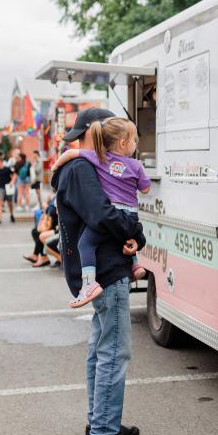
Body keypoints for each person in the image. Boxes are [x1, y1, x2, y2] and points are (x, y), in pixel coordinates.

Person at [51, 107, 146, 435]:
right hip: (106, 270)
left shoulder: (82, 164)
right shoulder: (80, 169)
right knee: (112, 352)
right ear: (97, 131)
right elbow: (104, 214)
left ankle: (101, 420)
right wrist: (137, 232)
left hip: (103, 268)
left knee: (100, 348)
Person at [52, 117, 150, 308]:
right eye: (134, 140)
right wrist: (138, 235)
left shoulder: (97, 160)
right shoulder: (136, 165)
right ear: (123, 142)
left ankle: (88, 283)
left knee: (85, 244)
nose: (136, 144)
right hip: (130, 216)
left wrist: (55, 168)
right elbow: (145, 189)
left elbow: (71, 153)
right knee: (112, 335)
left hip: (108, 267)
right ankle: (135, 264)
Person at [24, 196, 58, 267]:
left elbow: (52, 212)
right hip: (55, 224)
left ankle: (43, 258)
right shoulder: (55, 196)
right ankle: (37, 255)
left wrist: (45, 205)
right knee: (36, 231)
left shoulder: (58, 195)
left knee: (38, 233)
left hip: (57, 227)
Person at [0, 155, 16, 226]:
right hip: (0, 188)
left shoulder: (7, 169)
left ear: (2, 162)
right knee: (0, 203)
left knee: (9, 203)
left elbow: (14, 175)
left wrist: (12, 182)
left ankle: (11, 215)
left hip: (8, 188)